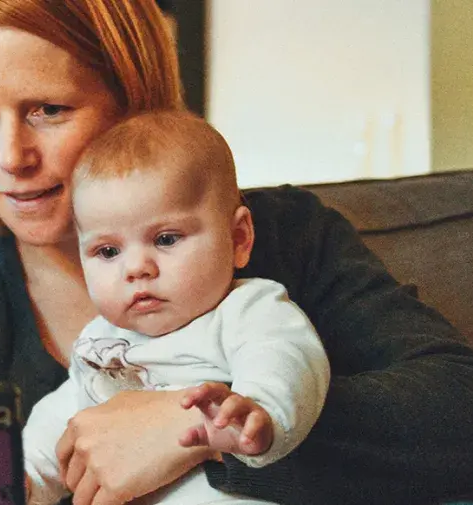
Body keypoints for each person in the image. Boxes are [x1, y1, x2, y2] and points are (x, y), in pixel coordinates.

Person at [0, 1, 473, 503]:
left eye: (49, 110)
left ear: (133, 99)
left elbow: (468, 414)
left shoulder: (286, 237)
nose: (13, 157)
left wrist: (196, 430)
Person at [22, 110, 330, 505]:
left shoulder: (246, 310)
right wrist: (24, 477)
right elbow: (62, 420)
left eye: (166, 239)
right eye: (108, 251)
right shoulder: (100, 341)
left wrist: (259, 412)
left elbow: (286, 359)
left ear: (238, 239)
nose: (136, 268)